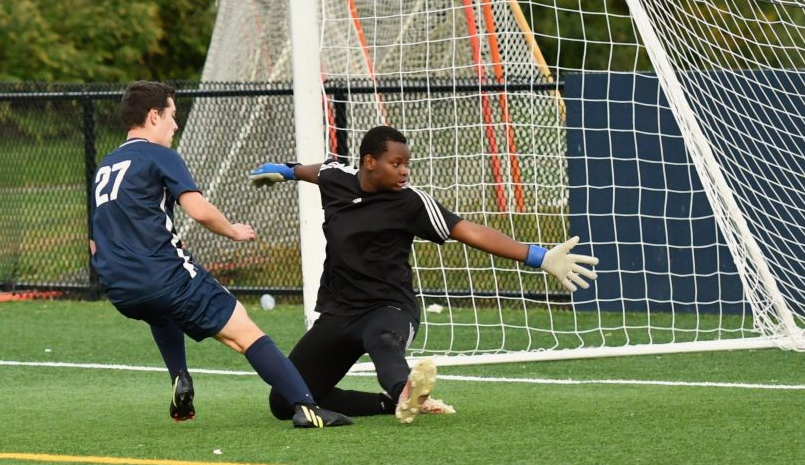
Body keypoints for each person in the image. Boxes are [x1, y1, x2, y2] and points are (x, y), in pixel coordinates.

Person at [250, 125, 598, 424]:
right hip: (339, 312)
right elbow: (317, 171)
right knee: (284, 402)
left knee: (384, 342)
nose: (405, 172)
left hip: (389, 309)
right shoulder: (336, 178)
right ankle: (392, 404)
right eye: (396, 163)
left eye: (407, 164)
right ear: (370, 163)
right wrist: (286, 170)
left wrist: (538, 256)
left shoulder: (411, 203)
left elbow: (470, 231)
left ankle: (406, 390)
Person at [89, 81, 351, 428]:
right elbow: (197, 209)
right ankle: (305, 407)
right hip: (165, 278)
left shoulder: (106, 166)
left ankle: (179, 376)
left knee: (159, 309)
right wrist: (232, 230)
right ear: (154, 116)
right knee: (244, 332)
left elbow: (95, 242)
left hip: (121, 289)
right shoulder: (161, 155)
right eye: (172, 115)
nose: (175, 125)